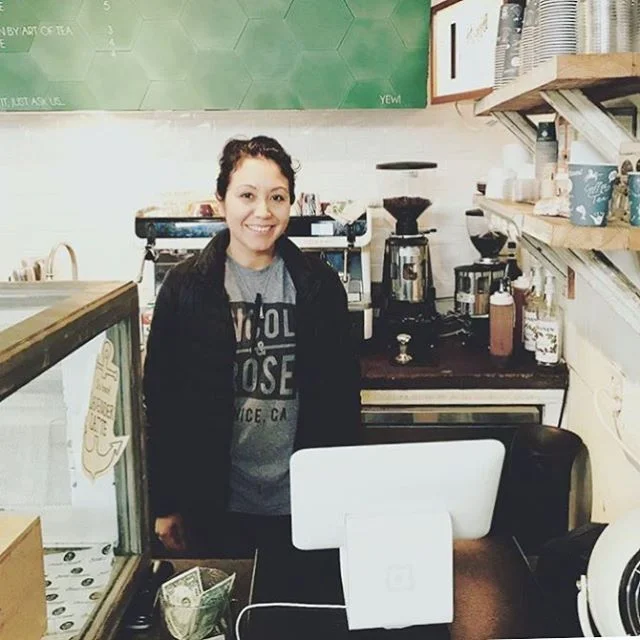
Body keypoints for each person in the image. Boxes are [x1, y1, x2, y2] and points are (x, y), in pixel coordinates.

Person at [143, 135, 361, 557]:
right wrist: (165, 504)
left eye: (277, 197)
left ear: (290, 204)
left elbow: (342, 399)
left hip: (305, 501)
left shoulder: (319, 285)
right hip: (214, 505)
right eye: (247, 195)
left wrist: (343, 492)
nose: (263, 211)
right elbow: (162, 403)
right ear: (221, 201)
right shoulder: (185, 287)